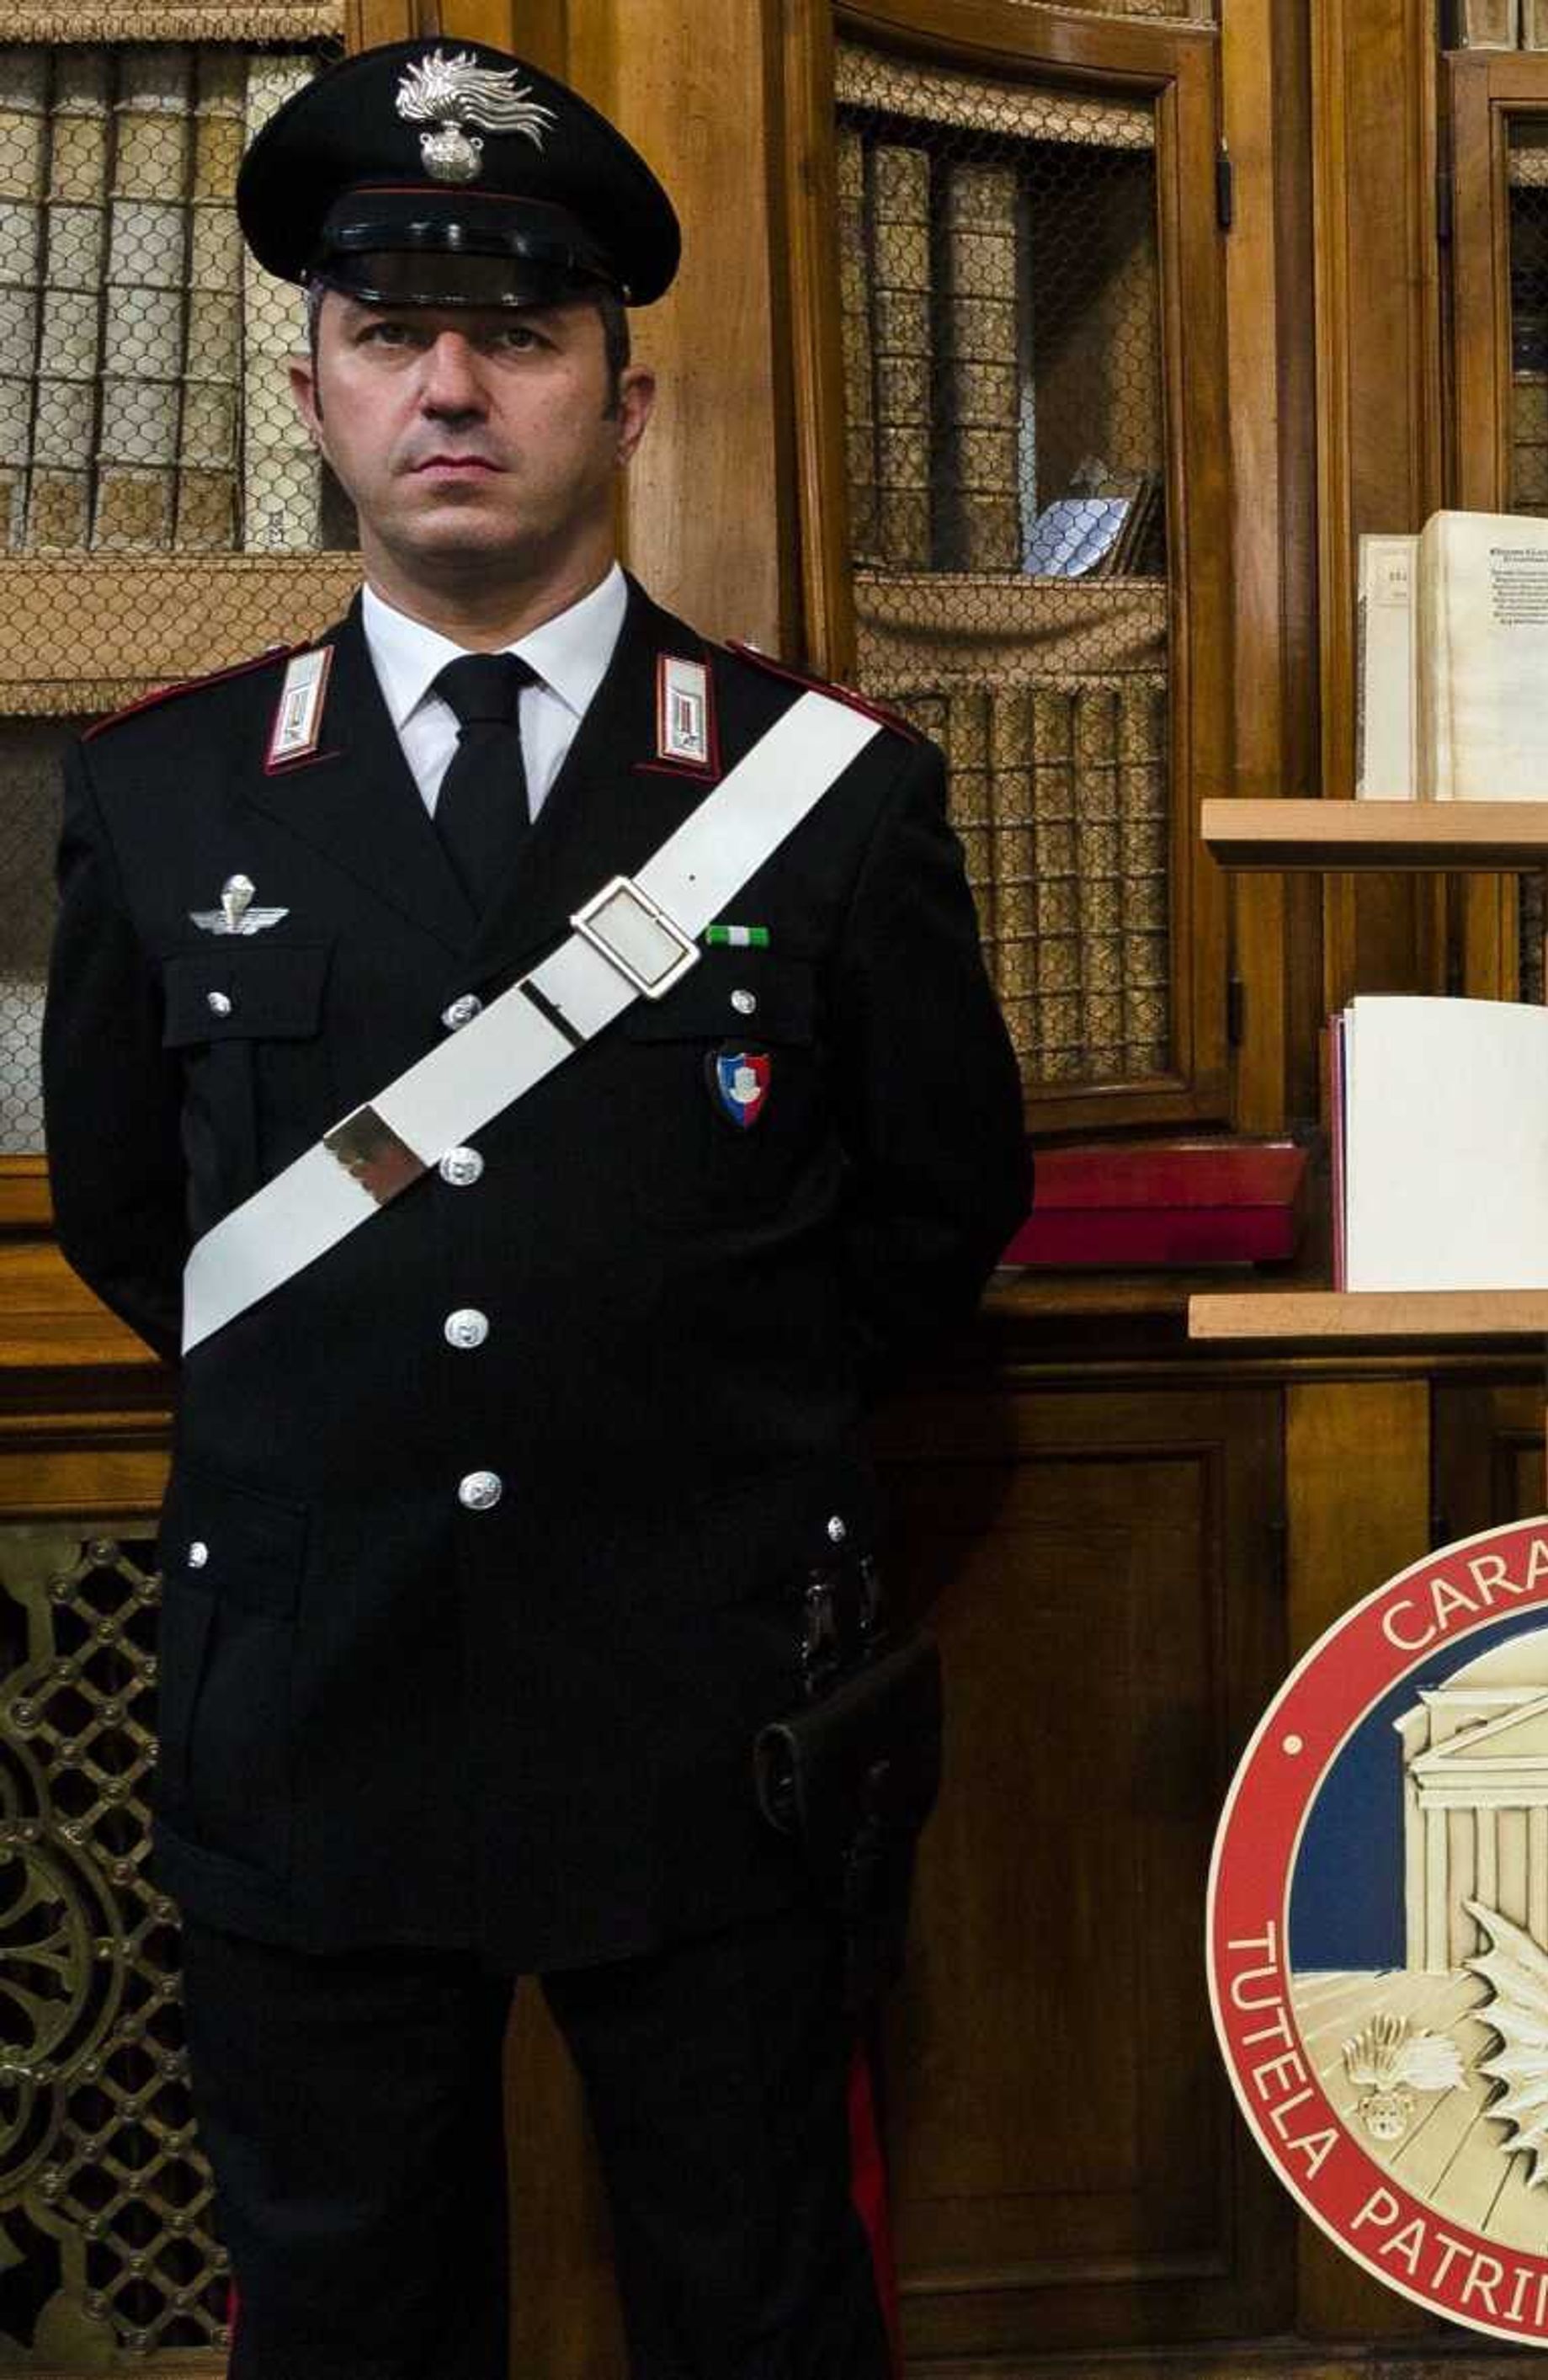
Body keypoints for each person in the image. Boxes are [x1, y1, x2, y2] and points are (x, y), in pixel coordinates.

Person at [42, 39, 1029, 2377]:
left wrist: (685, 1417)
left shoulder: (825, 797)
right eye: (393, 335)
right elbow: (128, 1214)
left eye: (518, 332)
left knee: (758, 2294)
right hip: (311, 1693)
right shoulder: (166, 795)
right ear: (313, 390)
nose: (452, 386)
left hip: (700, 1700)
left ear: (628, 394)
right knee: (349, 2312)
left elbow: (931, 1210)